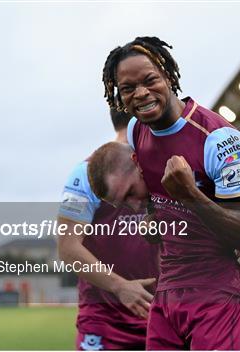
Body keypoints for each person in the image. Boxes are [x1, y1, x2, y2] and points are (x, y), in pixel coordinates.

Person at [101, 36, 240, 350]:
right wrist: (156, 221)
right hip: (197, 290)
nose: (140, 93)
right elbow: (162, 198)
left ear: (168, 75)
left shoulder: (219, 140)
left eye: (149, 80)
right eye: (128, 88)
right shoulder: (137, 131)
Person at [87, 141, 240, 350]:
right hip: (227, 304)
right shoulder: (152, 191)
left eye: (130, 193)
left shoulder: (213, 161)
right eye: (123, 204)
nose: (134, 206)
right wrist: (154, 227)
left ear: (139, 164)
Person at [57, 109, 159, 350]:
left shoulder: (159, 165)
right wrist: (120, 286)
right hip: (105, 321)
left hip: (159, 315)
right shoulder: (85, 173)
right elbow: (67, 247)